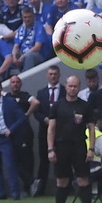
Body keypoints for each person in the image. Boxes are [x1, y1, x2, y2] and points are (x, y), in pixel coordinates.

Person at [47, 73, 96, 203]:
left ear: (79, 87)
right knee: (62, 181)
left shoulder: (84, 106)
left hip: (79, 146)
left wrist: (91, 148)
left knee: (83, 179)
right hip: (61, 146)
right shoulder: (57, 105)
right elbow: (51, 129)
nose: (72, 89)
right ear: (66, 86)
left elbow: (92, 129)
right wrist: (50, 149)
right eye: (70, 86)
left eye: (75, 86)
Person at [33, 64, 64, 196]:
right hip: (44, 132)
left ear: (59, 75)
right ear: (47, 75)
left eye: (55, 74)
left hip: (61, 131)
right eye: (50, 74)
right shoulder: (41, 92)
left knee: (62, 160)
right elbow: (37, 112)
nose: (53, 77)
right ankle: (41, 189)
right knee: (44, 161)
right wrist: (45, 119)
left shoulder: (64, 91)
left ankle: (64, 188)